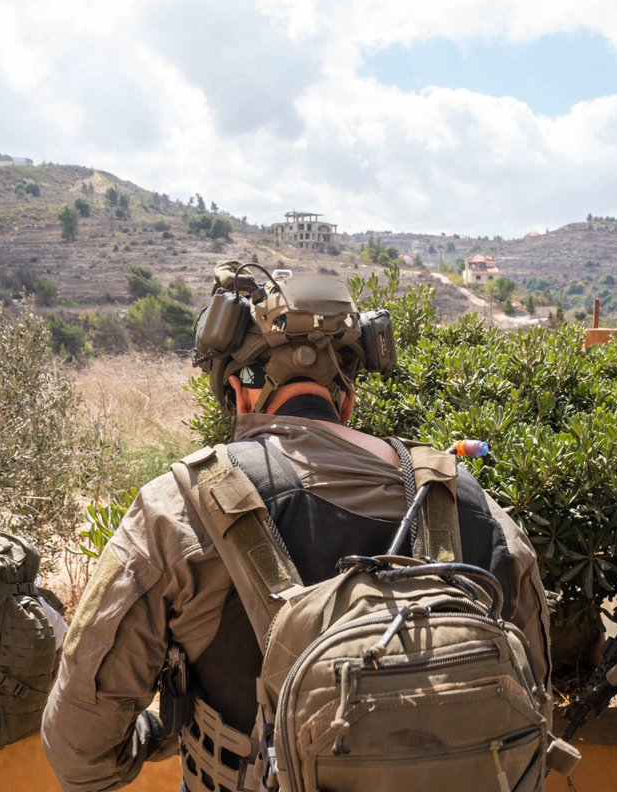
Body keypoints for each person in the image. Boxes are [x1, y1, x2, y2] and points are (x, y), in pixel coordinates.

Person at [42, 264, 552, 791]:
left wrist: (168, 729)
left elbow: (80, 753)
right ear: (347, 400)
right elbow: (535, 709)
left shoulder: (174, 513)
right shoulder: (479, 510)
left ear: (240, 398)